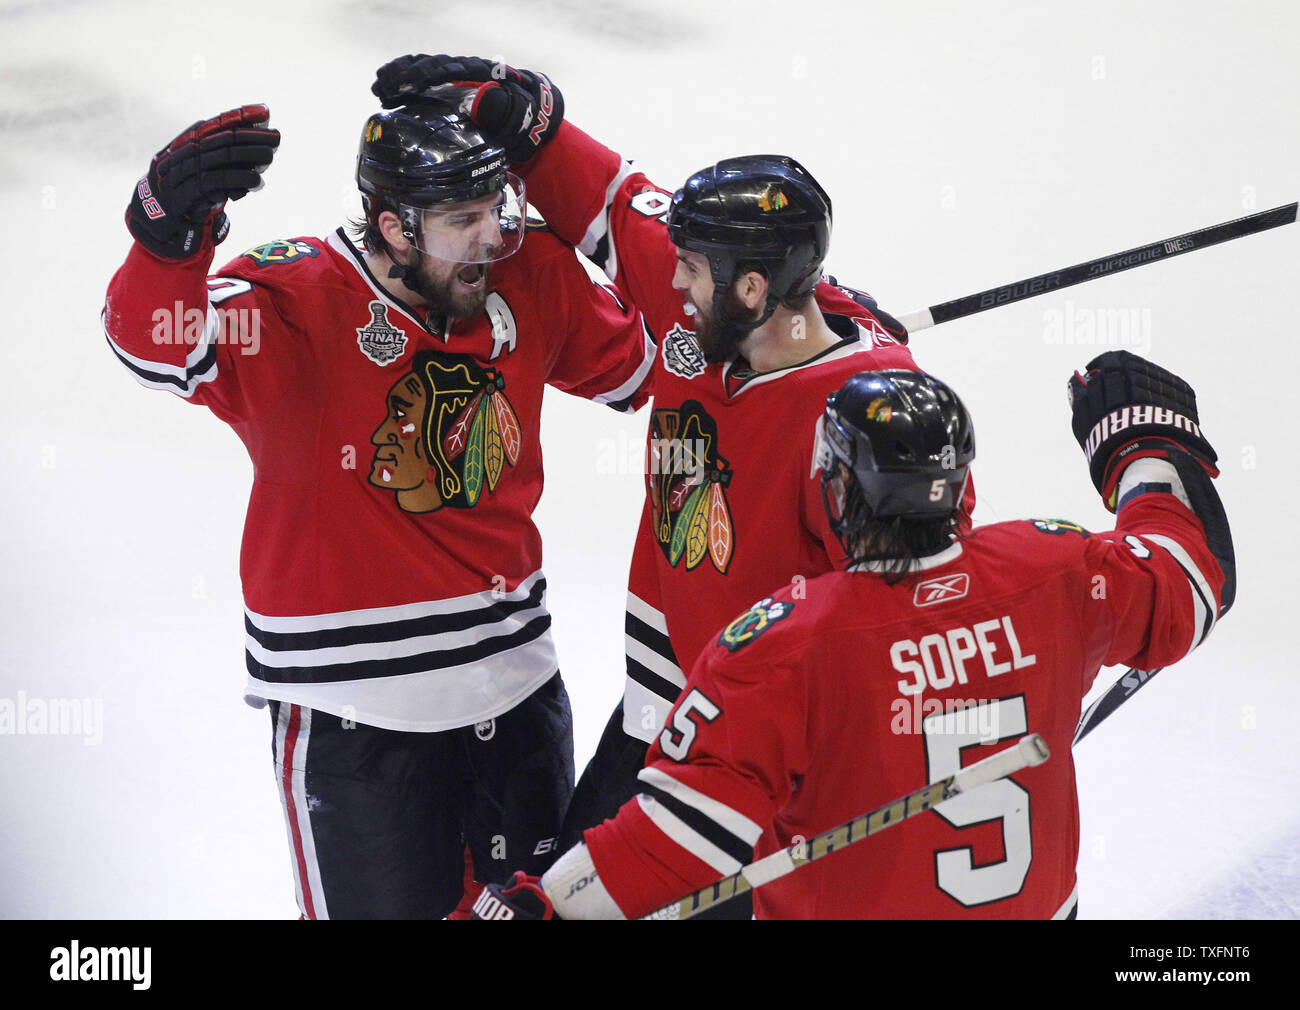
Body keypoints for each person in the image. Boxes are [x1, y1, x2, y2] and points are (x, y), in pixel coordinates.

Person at [371, 61, 974, 901]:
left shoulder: (858, 423)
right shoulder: (717, 308)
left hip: (764, 761)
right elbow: (618, 207)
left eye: (689, 273)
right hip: (657, 715)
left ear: (754, 288)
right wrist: (523, 122)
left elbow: (914, 611)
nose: (668, 289)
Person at [102, 99, 656, 918]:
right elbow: (156, 344)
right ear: (393, 226)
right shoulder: (297, 298)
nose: (490, 239)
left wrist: (811, 322)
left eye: (497, 210)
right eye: (462, 220)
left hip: (518, 691)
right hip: (356, 719)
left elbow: (659, 361)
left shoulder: (527, 273)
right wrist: (166, 236)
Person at [468, 351, 1234, 919]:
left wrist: (543, 904)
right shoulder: (1060, 570)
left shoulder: (780, 647)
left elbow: (678, 838)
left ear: (837, 489)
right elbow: (1190, 583)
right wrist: (1145, 449)